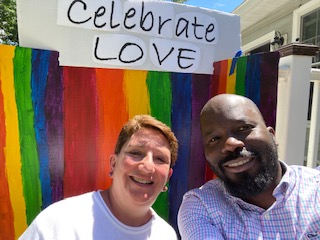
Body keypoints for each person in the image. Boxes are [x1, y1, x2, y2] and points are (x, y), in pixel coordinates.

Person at [178, 93, 320, 239]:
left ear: (271, 135)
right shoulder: (201, 207)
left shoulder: (316, 188)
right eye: (215, 139)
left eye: (243, 128)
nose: (231, 144)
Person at [19, 115, 178, 240]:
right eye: (136, 153)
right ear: (113, 164)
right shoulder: (59, 222)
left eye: (160, 159)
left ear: (168, 178)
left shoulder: (166, 235)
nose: (148, 166)